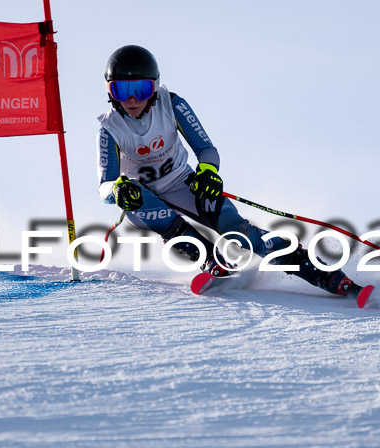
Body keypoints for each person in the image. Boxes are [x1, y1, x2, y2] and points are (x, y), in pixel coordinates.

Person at [96, 44, 363, 296]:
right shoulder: (110, 127)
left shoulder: (172, 104)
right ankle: (212, 260)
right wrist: (118, 189)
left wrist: (209, 172)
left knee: (237, 230)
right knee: (148, 205)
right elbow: (104, 187)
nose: (132, 99)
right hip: (140, 200)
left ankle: (323, 274)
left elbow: (206, 149)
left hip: (182, 183)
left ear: (154, 88)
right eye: (122, 90)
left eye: (141, 89)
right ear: (110, 92)